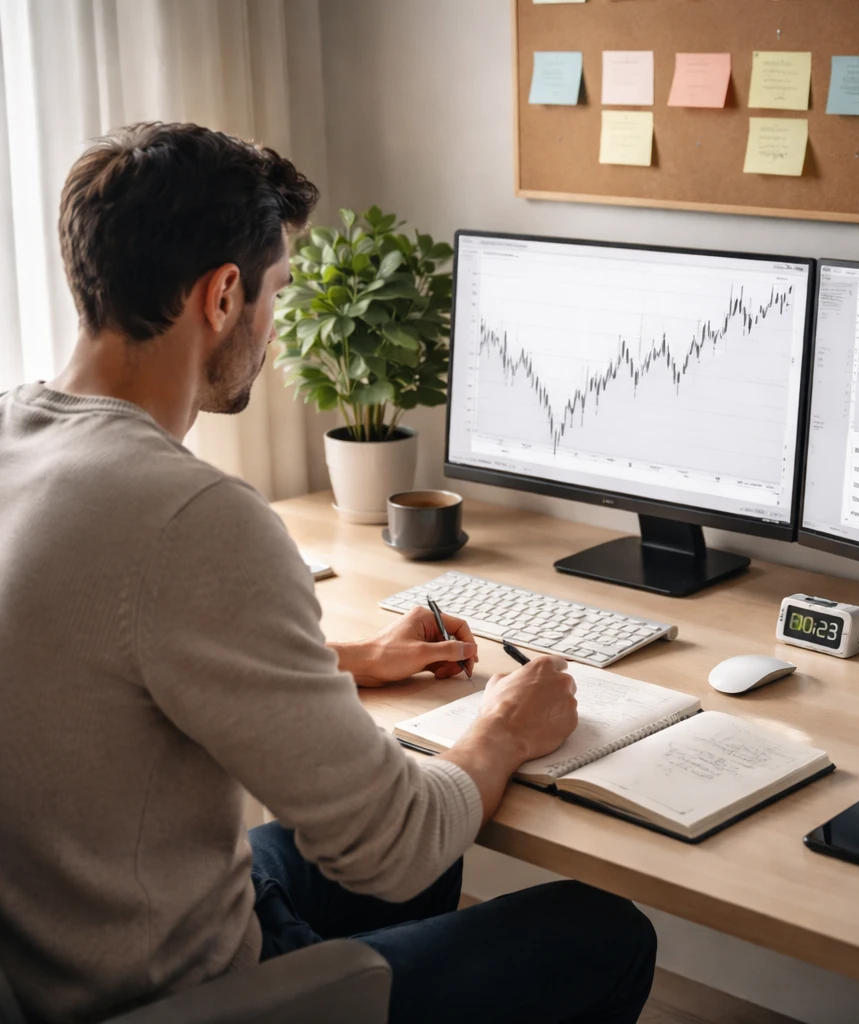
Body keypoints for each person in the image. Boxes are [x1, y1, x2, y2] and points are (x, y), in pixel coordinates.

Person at [0, 122, 657, 1024]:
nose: (274, 326)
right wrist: (504, 727)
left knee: (430, 857)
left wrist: (342, 661)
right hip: (181, 991)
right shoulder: (192, 516)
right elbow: (397, 846)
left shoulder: (17, 441)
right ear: (222, 295)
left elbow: (78, 655)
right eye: (275, 291)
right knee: (601, 930)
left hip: (75, 939)